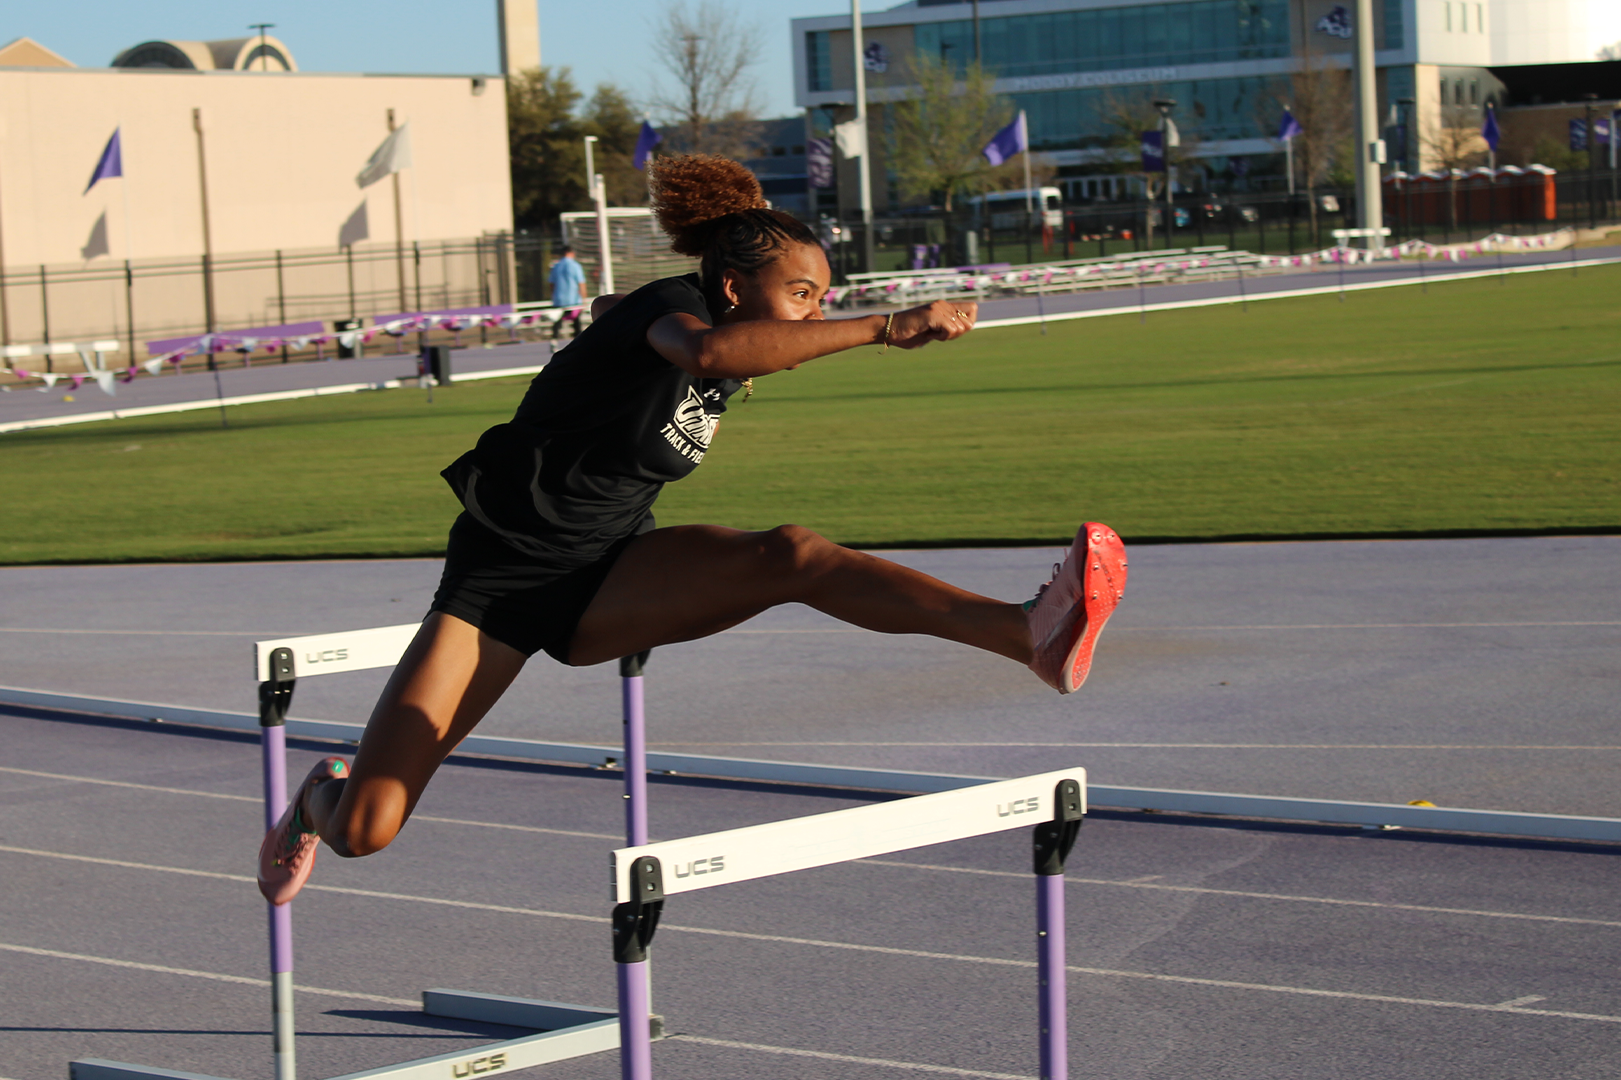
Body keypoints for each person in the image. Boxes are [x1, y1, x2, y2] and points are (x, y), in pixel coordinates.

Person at [259, 155, 1127, 904]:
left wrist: (611, 320)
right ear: (732, 282)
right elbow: (704, 352)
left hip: (607, 572)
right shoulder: (675, 311)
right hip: (497, 594)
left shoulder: (676, 319)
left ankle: (1029, 636)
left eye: (821, 299)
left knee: (794, 554)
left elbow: (673, 345)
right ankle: (315, 800)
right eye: (798, 294)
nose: (807, 313)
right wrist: (886, 328)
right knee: (368, 828)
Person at [547, 245, 586, 339]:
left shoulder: (556, 266)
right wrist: (584, 298)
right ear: (571, 253)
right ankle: (579, 341)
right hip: (574, 299)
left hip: (559, 299)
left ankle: (554, 340)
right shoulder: (575, 265)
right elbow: (581, 283)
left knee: (557, 321)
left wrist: (553, 295)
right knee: (576, 323)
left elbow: (551, 283)